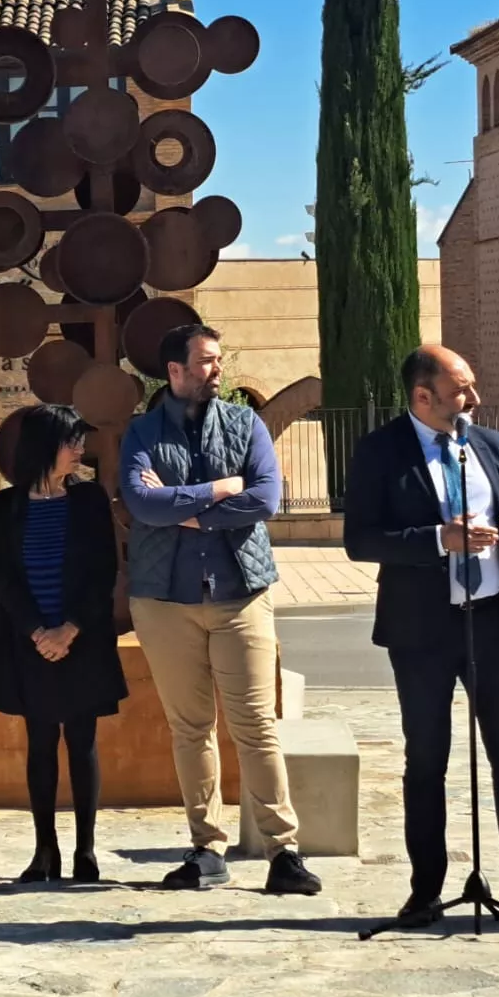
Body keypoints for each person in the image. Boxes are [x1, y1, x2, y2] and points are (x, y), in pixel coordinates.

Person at [342, 344, 499, 930]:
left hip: (494, 621)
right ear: (422, 396)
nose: (473, 400)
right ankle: (424, 890)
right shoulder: (381, 452)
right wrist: (435, 539)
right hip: (422, 630)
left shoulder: (489, 445)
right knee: (427, 761)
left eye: (472, 387)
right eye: (461, 390)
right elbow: (360, 540)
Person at [120, 324, 321, 897]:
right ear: (175, 371)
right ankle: (206, 849)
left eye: (218, 360)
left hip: (241, 594)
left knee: (256, 726)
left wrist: (186, 509)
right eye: (206, 362)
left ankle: (284, 852)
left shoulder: (245, 423)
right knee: (191, 729)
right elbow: (140, 502)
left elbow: (265, 498)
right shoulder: (141, 433)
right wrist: (216, 491)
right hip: (165, 601)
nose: (217, 371)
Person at [0, 404, 126, 882]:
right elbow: (3, 578)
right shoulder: (6, 506)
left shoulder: (89, 500)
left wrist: (70, 629)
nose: (79, 449)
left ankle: (86, 851)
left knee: (82, 741)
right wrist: (37, 631)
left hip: (79, 640)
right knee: (40, 742)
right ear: (46, 447)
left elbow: (103, 571)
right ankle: (45, 850)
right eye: (71, 441)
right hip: (30, 643)